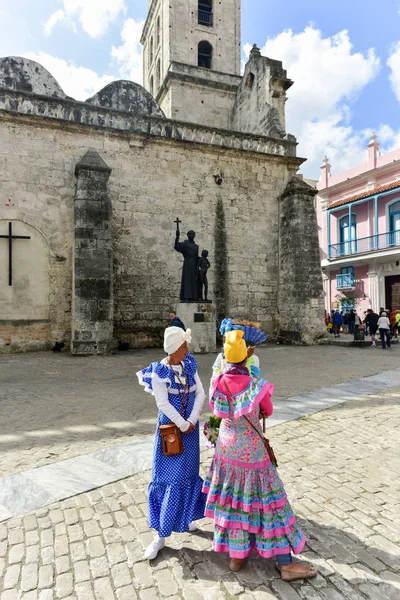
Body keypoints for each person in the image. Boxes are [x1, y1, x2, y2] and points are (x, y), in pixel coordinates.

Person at [203, 330, 317, 580]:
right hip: (252, 452)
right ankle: (285, 564)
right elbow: (268, 410)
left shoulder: (219, 382)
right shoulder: (256, 386)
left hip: (226, 450)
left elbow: (217, 410)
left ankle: (236, 555)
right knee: (269, 505)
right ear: (246, 357)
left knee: (233, 502)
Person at [137, 327, 206, 560]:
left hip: (189, 429)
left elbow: (201, 393)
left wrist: (192, 420)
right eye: (184, 346)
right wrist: (182, 423)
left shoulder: (190, 365)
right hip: (171, 432)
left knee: (188, 473)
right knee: (167, 478)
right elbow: (163, 403)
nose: (188, 349)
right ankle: (160, 534)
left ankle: (187, 516)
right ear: (174, 348)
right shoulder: (160, 371)